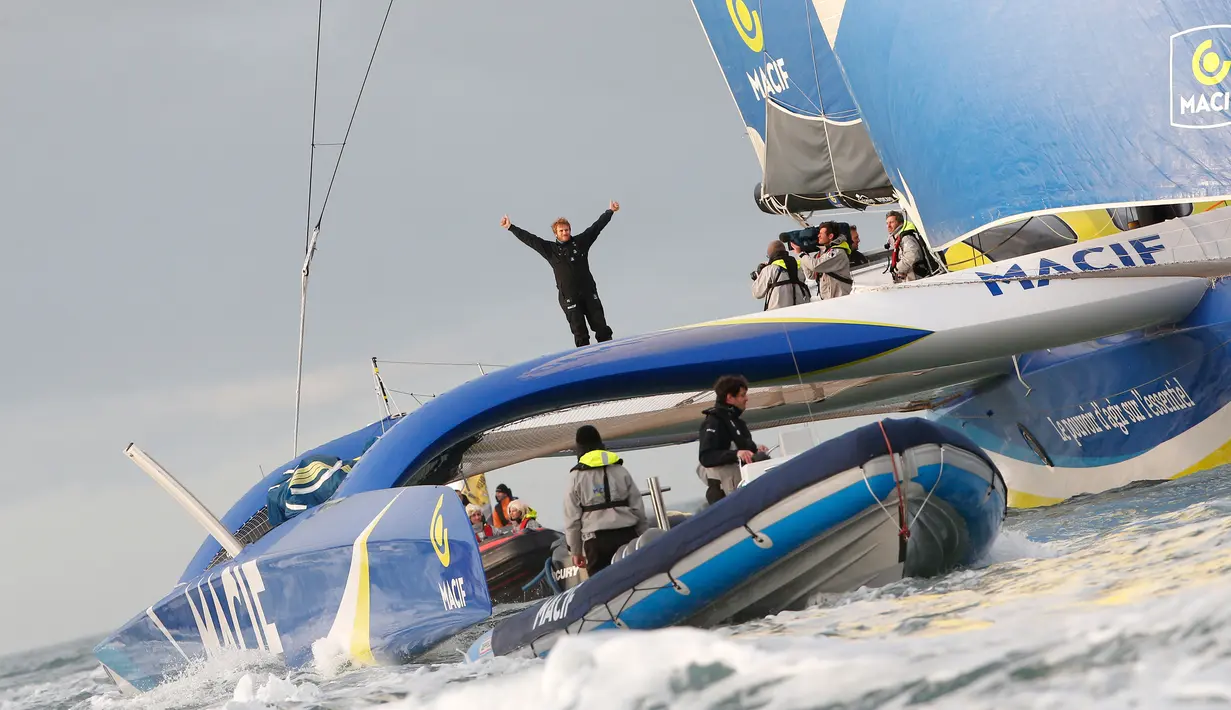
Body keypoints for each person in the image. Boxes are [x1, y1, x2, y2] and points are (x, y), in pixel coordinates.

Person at [500, 201, 621, 348]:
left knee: (601, 327)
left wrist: (610, 211)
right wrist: (510, 227)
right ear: (556, 233)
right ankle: (585, 361)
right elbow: (530, 239)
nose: (565, 233)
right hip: (569, 297)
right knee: (580, 333)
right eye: (562, 231)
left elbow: (596, 227)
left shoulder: (581, 242)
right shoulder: (550, 250)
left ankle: (608, 352)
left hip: (589, 292)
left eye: (567, 230)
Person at [562, 424, 648, 576]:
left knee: (603, 587)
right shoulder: (621, 470)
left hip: (596, 542)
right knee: (635, 578)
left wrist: (575, 551)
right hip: (627, 535)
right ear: (600, 444)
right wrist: (643, 535)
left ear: (579, 448)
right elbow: (637, 507)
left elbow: (572, 518)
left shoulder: (575, 476)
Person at [697, 375, 767, 504]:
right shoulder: (714, 422)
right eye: (742, 395)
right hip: (726, 496)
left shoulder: (738, 423)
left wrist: (756, 450)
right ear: (729, 398)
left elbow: (745, 448)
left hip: (745, 487)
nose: (746, 398)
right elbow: (706, 456)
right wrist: (736, 454)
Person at [793, 227, 853, 299]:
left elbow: (815, 266)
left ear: (830, 236)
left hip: (840, 298)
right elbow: (811, 275)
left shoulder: (837, 252)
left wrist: (801, 254)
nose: (818, 236)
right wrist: (804, 255)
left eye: (821, 234)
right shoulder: (822, 254)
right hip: (828, 299)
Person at [751, 240, 811, 310]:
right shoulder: (798, 266)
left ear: (770, 255)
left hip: (778, 315)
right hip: (799, 313)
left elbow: (757, 293)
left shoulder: (770, 269)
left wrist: (759, 276)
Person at [885, 210, 942, 282]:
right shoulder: (897, 238)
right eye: (887, 223)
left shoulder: (906, 238)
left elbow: (912, 256)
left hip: (915, 278)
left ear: (900, 223)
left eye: (891, 222)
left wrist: (897, 269)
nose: (888, 226)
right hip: (908, 278)